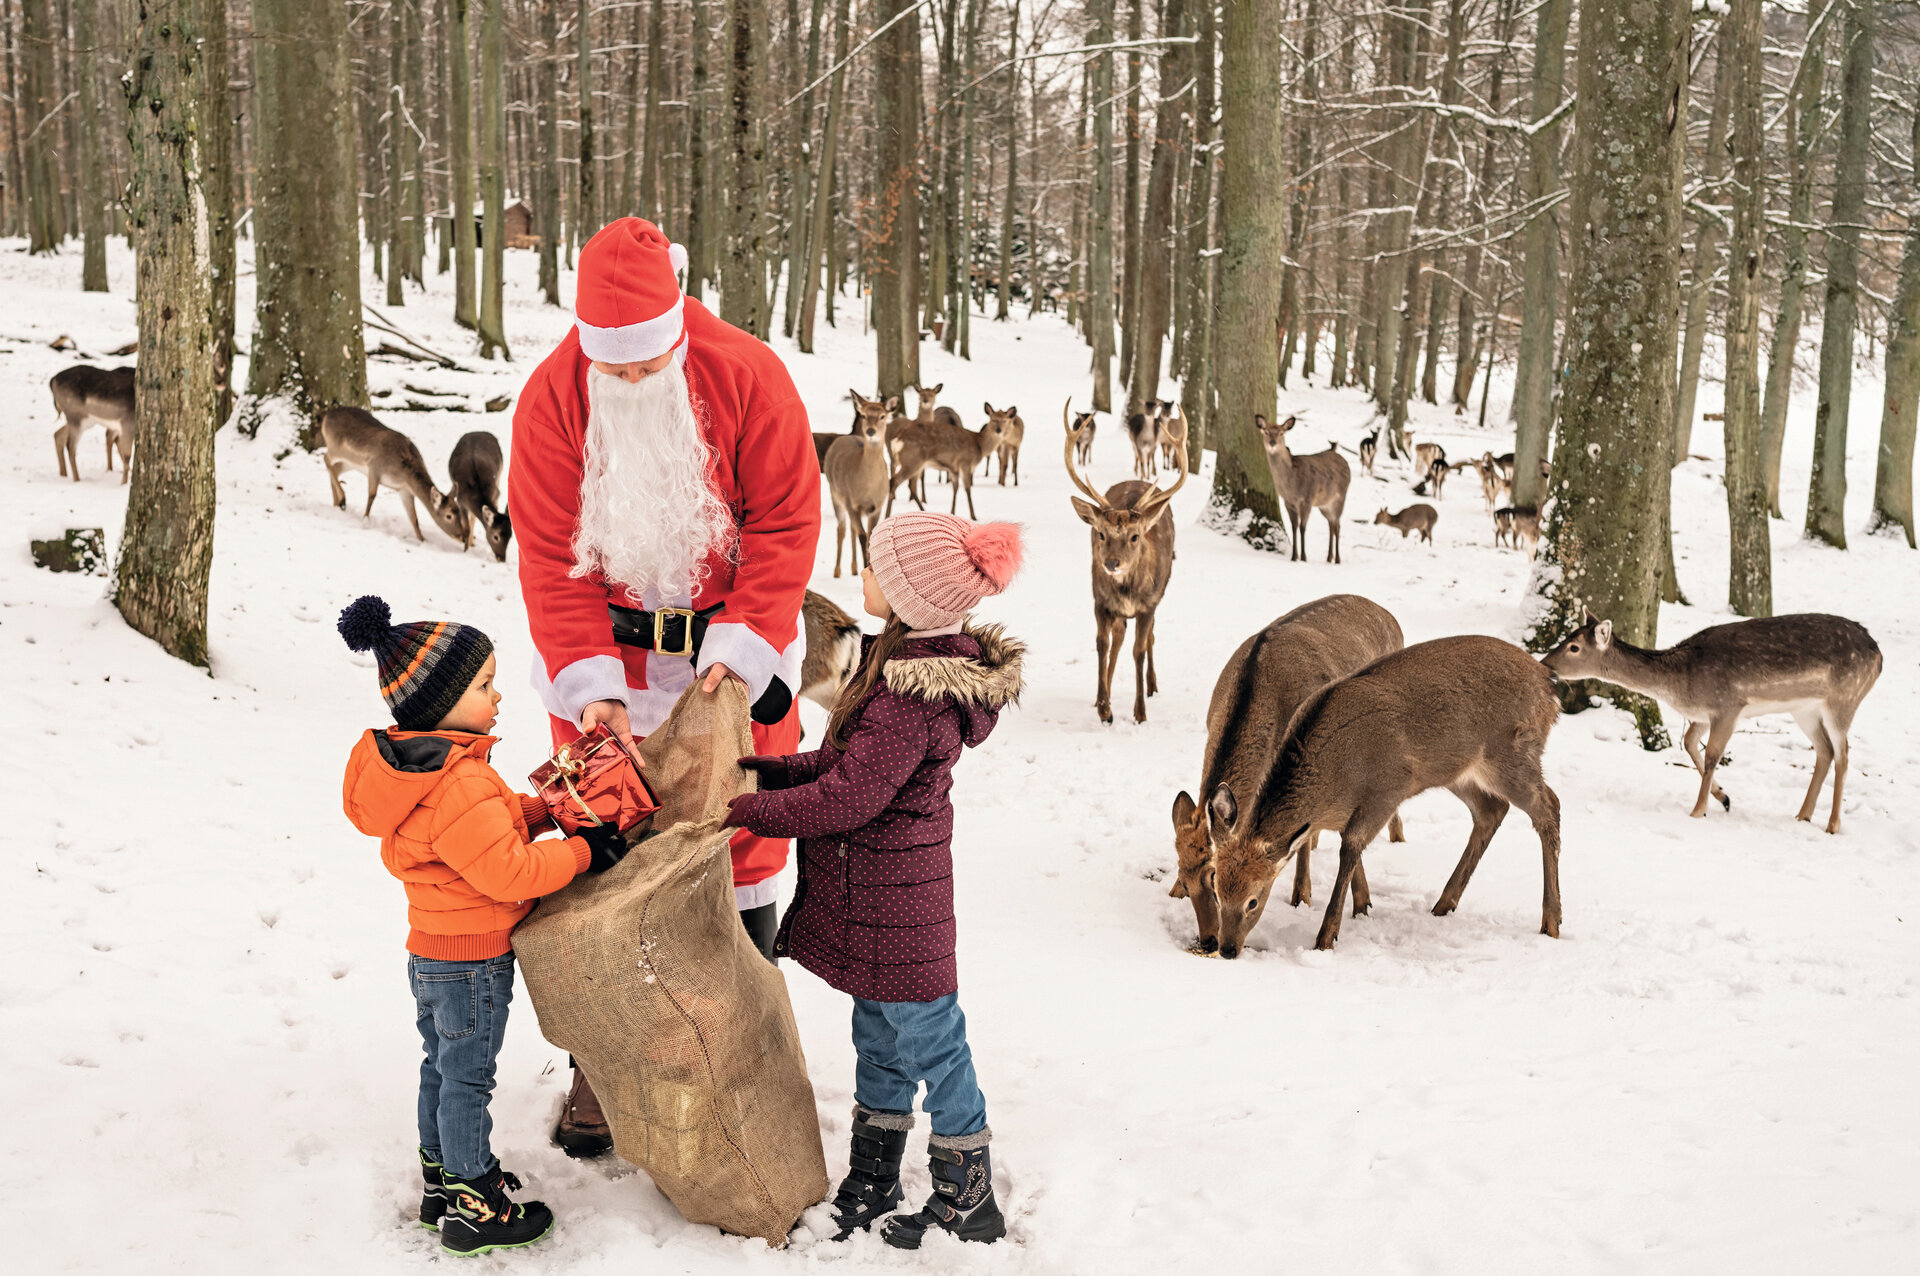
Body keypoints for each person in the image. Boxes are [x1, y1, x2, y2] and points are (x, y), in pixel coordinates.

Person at [508, 216, 821, 1155]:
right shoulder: (551, 400)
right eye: (619, 371)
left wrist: (745, 643)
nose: (635, 384)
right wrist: (587, 679)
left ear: (675, 331)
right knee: (603, 852)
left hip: (727, 657)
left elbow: (786, 519)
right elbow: (551, 556)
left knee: (743, 840)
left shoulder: (746, 373)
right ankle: (602, 1069)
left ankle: (745, 1052)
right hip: (609, 666)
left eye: (649, 367)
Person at [722, 514, 1025, 1249]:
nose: (858, 576)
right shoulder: (894, 671)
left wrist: (755, 811)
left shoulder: (909, 699)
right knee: (879, 1034)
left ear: (909, 594)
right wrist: (774, 770)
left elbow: (849, 799)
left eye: (872, 568)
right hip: (878, 904)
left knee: (932, 1041)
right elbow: (840, 767)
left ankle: (966, 1191)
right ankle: (876, 1169)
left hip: (900, 905)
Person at [337, 595, 631, 1256]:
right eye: (483, 685)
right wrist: (585, 851)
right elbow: (508, 873)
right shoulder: (461, 782)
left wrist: (545, 808)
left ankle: (444, 1179)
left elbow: (482, 829)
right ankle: (474, 1203)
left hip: (434, 954)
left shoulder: (431, 769)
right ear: (439, 701)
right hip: (471, 963)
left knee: (441, 1069)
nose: (497, 697)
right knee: (468, 1079)